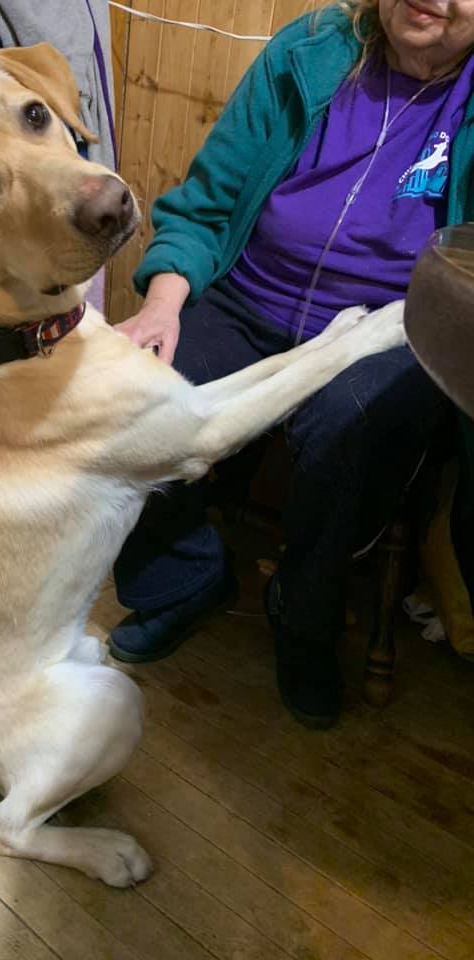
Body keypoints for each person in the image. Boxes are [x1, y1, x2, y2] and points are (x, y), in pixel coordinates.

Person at [108, 0, 474, 729]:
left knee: (349, 424)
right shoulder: (310, 50)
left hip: (384, 325)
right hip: (251, 297)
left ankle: (303, 612)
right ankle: (186, 578)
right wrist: (162, 307)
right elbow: (206, 206)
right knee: (131, 392)